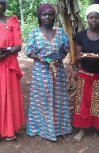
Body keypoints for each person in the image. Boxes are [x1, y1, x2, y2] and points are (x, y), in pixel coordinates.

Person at [25, 3, 72, 141]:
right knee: (41, 99)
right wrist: (40, 58)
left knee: (59, 98)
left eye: (50, 15)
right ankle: (41, 128)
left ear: (54, 17)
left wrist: (59, 58)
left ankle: (59, 128)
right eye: (44, 15)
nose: (47, 17)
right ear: (40, 17)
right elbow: (28, 51)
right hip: (41, 71)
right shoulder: (34, 32)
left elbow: (66, 49)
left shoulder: (61, 32)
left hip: (58, 70)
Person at [73, 4, 99, 143]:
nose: (94, 20)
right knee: (83, 102)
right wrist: (81, 56)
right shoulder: (80, 35)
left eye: (97, 18)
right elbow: (77, 56)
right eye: (91, 17)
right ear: (87, 19)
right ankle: (81, 130)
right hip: (85, 74)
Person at [0, 0, 25, 140]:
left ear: (6, 5)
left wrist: (7, 51)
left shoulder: (12, 21)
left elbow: (18, 45)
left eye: (2, 2)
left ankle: (9, 129)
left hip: (8, 63)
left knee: (9, 95)